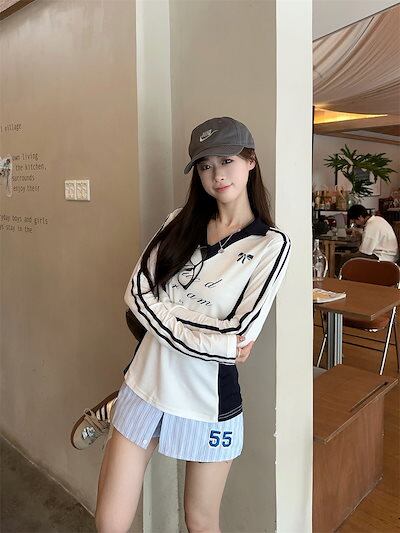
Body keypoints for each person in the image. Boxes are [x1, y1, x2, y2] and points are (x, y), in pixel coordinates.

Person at [84, 116, 291, 532]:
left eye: (227, 161)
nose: (217, 175)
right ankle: (117, 404)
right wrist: (218, 340)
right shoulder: (178, 221)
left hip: (208, 402)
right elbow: (135, 295)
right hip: (146, 383)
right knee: (109, 523)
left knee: (200, 522)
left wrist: (167, 310)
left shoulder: (270, 244)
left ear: (251, 161)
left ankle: (110, 406)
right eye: (205, 165)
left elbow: (240, 333)